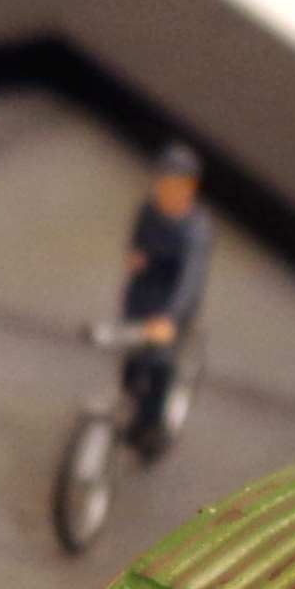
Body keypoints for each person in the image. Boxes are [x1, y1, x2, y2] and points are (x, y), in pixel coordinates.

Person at [112, 144, 217, 455]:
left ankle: (153, 427)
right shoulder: (149, 210)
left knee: (159, 364)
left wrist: (170, 318)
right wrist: (136, 256)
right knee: (132, 359)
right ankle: (128, 400)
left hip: (170, 306)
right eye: (162, 180)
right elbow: (138, 237)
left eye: (173, 183)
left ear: (189, 187)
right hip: (141, 297)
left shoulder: (196, 230)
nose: (165, 188)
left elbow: (190, 280)